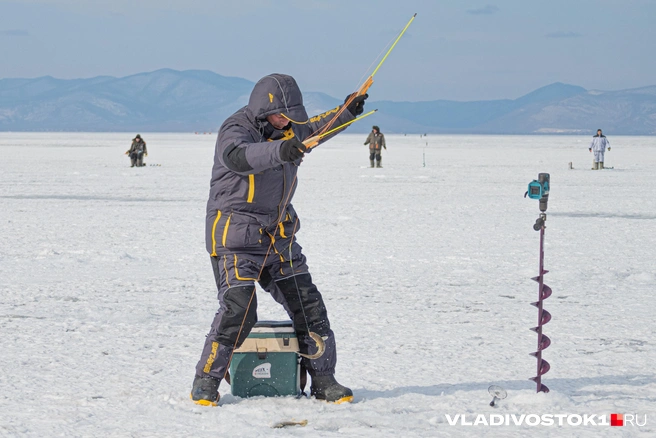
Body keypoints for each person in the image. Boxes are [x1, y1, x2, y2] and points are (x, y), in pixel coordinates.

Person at [190, 74, 368, 406]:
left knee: (309, 307)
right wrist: (282, 150)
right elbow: (240, 157)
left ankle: (324, 381)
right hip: (235, 237)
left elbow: (317, 128)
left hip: (278, 237)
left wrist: (346, 111)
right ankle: (206, 379)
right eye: (279, 113)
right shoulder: (236, 129)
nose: (285, 120)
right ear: (262, 109)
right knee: (239, 312)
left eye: (290, 113)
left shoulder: (290, 128)